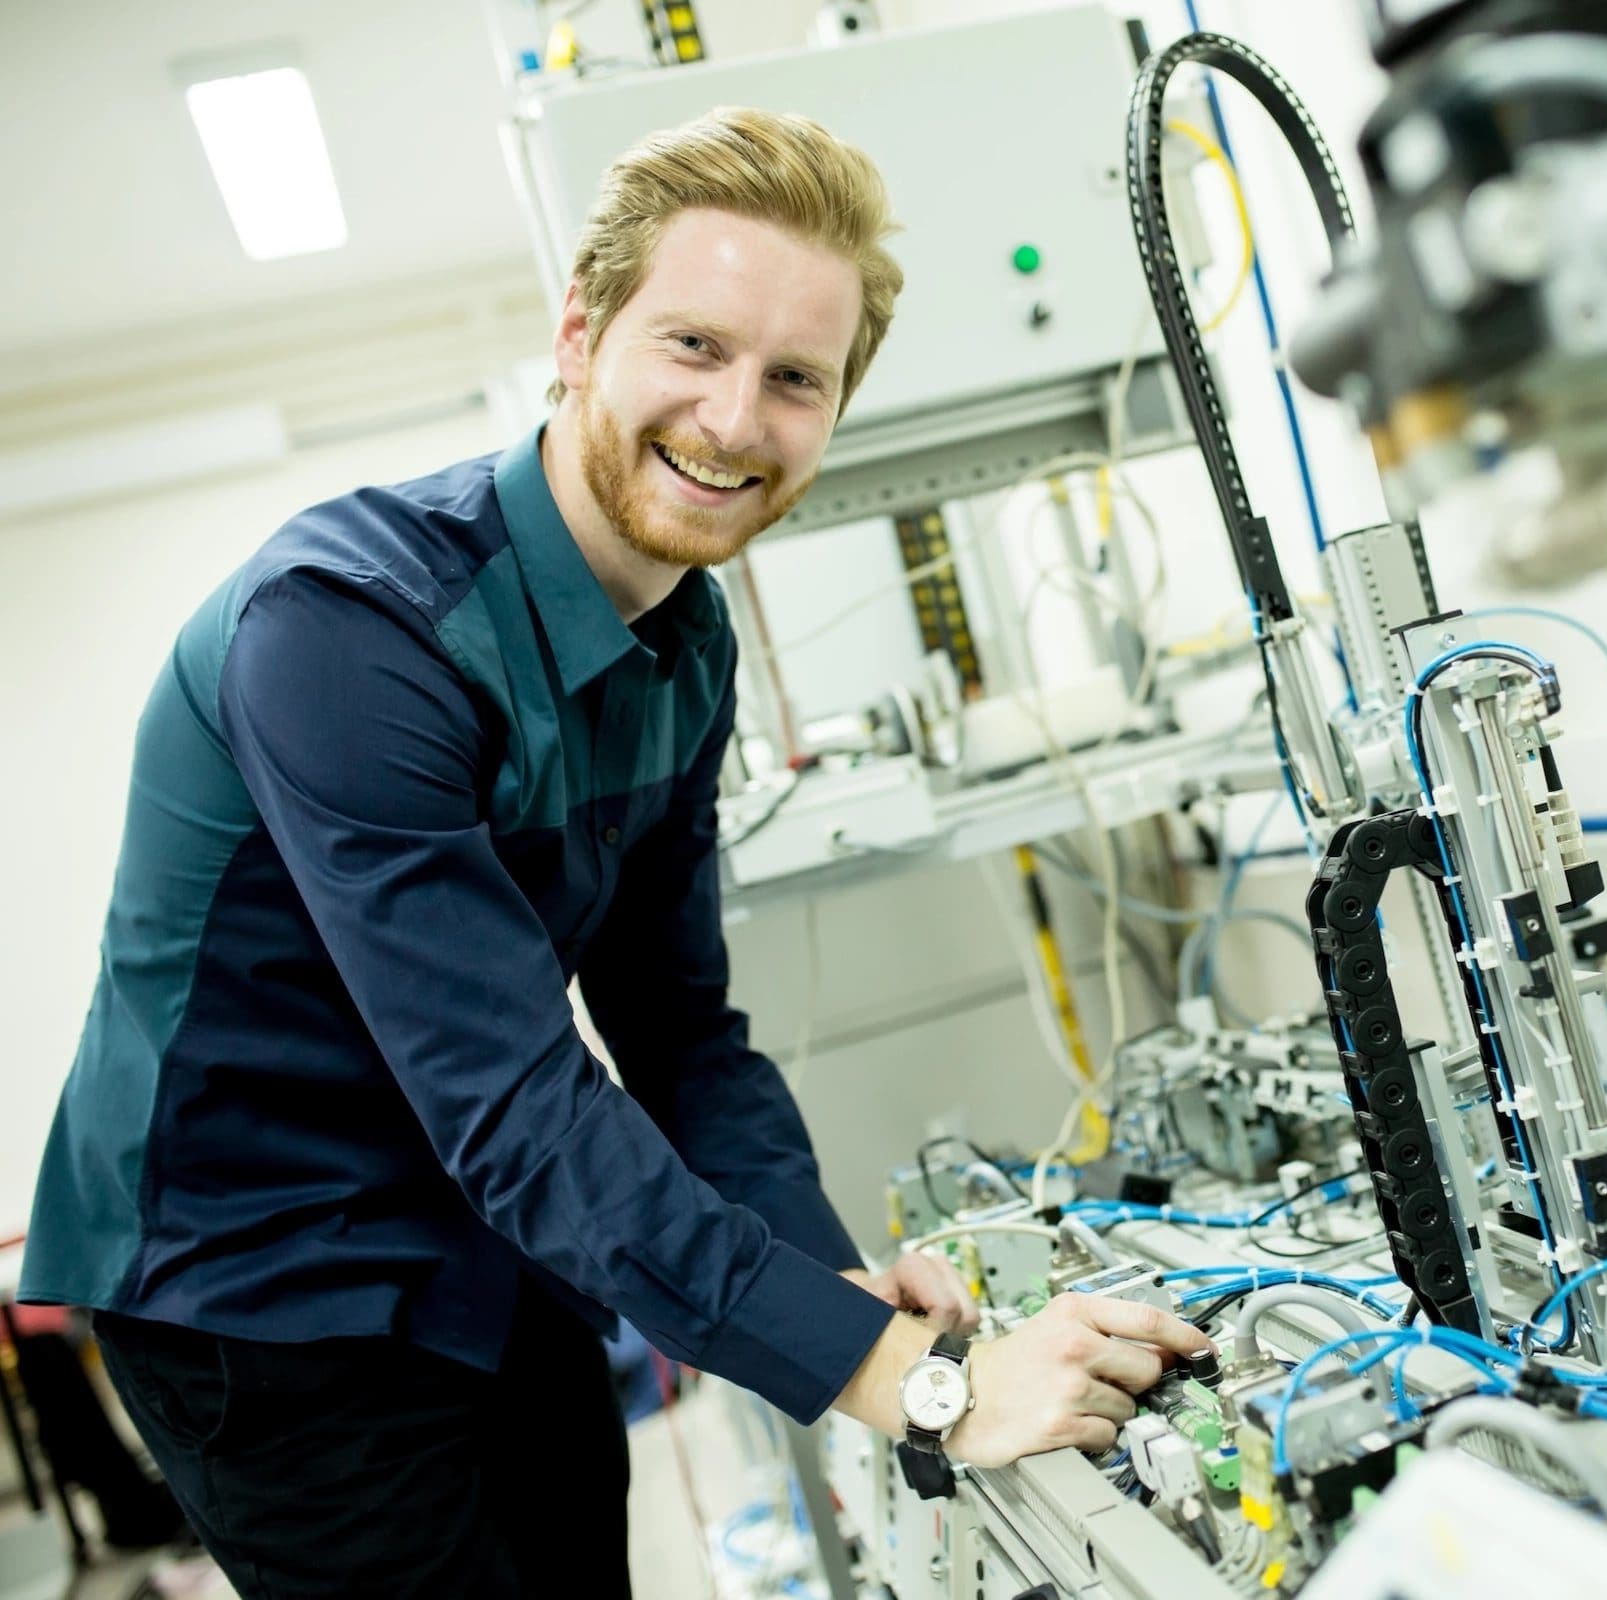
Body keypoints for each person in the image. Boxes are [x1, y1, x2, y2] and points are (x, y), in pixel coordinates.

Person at [18, 106, 1209, 1598]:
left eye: (795, 379)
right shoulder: (347, 630)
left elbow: (678, 1027)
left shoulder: (685, 646)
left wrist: (825, 1280)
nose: (732, 421)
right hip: (257, 1283)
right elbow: (516, 1103)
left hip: (479, 1238)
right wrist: (918, 1385)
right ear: (580, 333)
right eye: (695, 347)